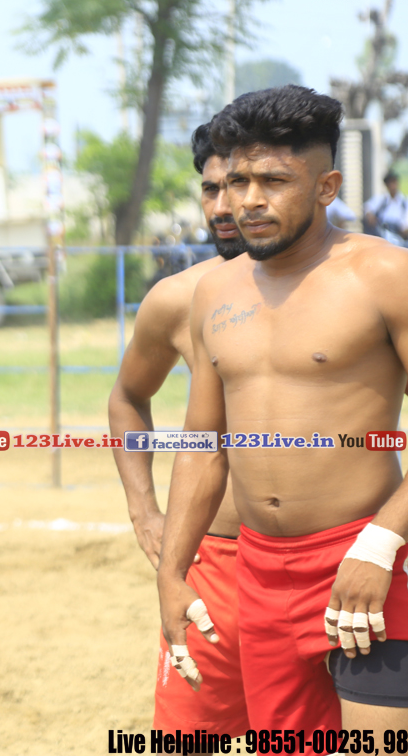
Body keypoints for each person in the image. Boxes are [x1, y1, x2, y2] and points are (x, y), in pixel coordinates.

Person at [156, 85, 408, 734]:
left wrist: (380, 544)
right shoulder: (213, 293)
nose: (249, 200)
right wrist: (172, 573)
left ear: (326, 187)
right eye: (239, 180)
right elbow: (203, 446)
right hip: (258, 574)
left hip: (365, 555)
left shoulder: (388, 275)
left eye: (275, 181)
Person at [108, 121, 249, 733]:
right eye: (210, 188)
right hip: (212, 560)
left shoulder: (352, 286)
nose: (221, 207)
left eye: (237, 186)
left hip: (323, 554)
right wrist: (145, 511)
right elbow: (127, 397)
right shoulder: (178, 298)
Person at [364, 171, 408, 240]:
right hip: (382, 235)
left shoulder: (405, 201)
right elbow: (367, 207)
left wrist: (402, 233)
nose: (392, 186)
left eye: (394, 182)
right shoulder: (381, 199)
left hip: (400, 235)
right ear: (386, 185)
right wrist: (370, 215)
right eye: (390, 183)